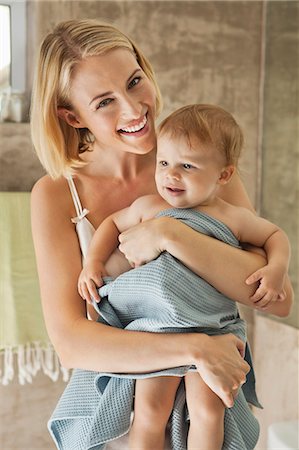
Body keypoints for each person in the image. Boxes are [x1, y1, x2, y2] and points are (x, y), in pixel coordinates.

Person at [30, 19, 293, 450]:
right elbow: (73, 343)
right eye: (105, 102)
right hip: (125, 427)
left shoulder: (196, 161)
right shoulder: (59, 195)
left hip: (207, 410)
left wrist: (172, 235)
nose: (134, 110)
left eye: (135, 82)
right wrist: (194, 350)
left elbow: (278, 299)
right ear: (71, 115)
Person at [77, 104, 290, 450]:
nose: (171, 175)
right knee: (149, 410)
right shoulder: (150, 207)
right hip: (157, 330)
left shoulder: (230, 216)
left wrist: (276, 269)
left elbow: (275, 235)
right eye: (164, 163)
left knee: (209, 409)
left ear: (223, 175)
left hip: (213, 329)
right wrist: (92, 264)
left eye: (187, 166)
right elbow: (112, 224)